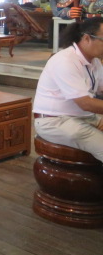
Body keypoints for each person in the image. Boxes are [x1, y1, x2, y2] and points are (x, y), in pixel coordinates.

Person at [33, 17, 103, 163]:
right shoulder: (66, 60)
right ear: (87, 38)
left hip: (83, 117)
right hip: (54, 122)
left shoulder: (94, 61)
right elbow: (85, 103)